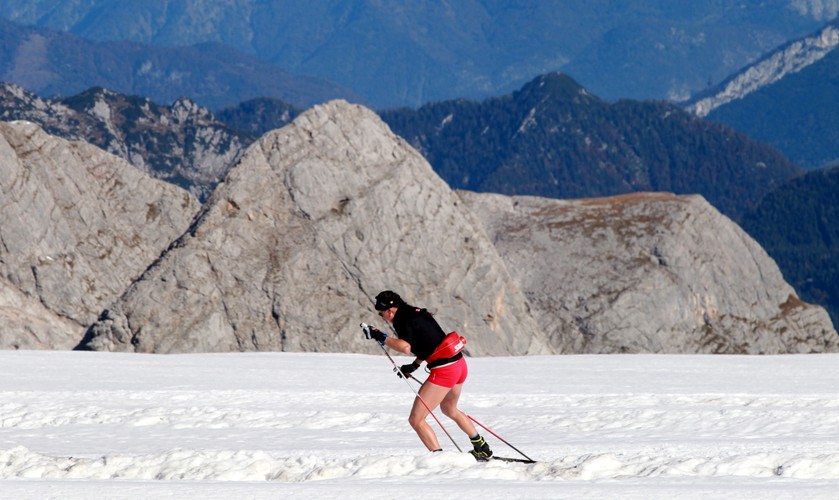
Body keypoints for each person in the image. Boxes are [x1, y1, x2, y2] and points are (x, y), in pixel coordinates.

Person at [366, 290, 492, 459]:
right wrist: (414, 365)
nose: (382, 318)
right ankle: (481, 446)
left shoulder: (402, 320)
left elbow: (405, 347)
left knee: (416, 419)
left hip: (445, 370)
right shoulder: (416, 312)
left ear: (390, 310)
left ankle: (439, 459)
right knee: (449, 409)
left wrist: (380, 336)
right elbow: (430, 343)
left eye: (381, 314)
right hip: (459, 365)